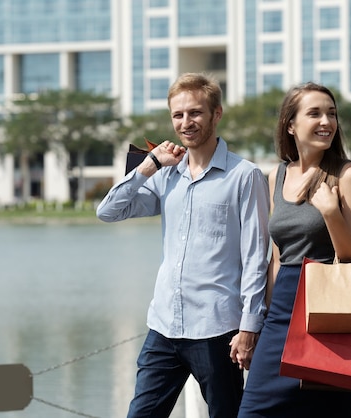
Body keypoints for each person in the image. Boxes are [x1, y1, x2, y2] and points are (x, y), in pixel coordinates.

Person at [96, 72, 270, 418]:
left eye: (195, 113)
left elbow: (256, 257)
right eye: (178, 115)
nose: (186, 123)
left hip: (217, 328)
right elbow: (108, 211)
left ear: (216, 114)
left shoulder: (244, 176)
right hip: (164, 326)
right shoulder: (165, 176)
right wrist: (150, 165)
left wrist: (250, 327)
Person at [237, 82, 351, 417]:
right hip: (282, 309)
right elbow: (278, 256)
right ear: (290, 124)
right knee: (253, 410)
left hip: (330, 308)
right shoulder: (276, 176)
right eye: (315, 113)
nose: (327, 121)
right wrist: (258, 322)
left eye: (332, 113)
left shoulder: (348, 174)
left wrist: (330, 213)